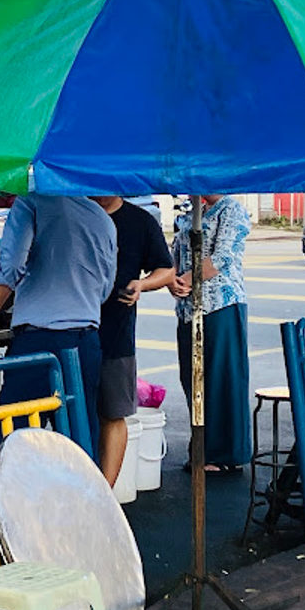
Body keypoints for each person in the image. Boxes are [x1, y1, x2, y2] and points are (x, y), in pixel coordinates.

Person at [0, 193, 116, 449]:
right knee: (77, 442)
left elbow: (11, 266)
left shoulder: (31, 203)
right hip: (86, 343)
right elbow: (104, 289)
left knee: (17, 442)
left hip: (38, 343)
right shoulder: (102, 219)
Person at [92, 196, 174, 486]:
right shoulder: (75, 214)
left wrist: (143, 284)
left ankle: (105, 493)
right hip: (71, 330)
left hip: (116, 331)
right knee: (74, 413)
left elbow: (166, 269)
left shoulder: (140, 221)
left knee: (113, 414)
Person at [170, 194, 252, 473]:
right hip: (187, 307)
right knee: (193, 379)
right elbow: (175, 255)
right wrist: (174, 281)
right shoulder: (191, 211)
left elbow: (223, 256)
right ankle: (202, 448)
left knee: (220, 378)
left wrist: (188, 279)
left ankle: (224, 454)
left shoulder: (231, 210)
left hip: (220, 304)